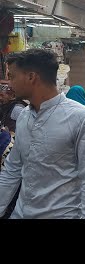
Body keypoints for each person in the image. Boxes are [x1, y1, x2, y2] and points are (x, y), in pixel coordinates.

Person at [0, 49, 85, 218]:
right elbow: (12, 170)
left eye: (12, 77)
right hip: (21, 213)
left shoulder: (81, 118)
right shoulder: (24, 116)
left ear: (31, 77)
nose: (9, 84)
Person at [0, 80, 28, 219]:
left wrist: (10, 134)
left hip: (12, 150)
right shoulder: (5, 107)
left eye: (3, 95)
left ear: (11, 95)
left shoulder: (17, 109)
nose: (1, 97)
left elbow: (25, 128)